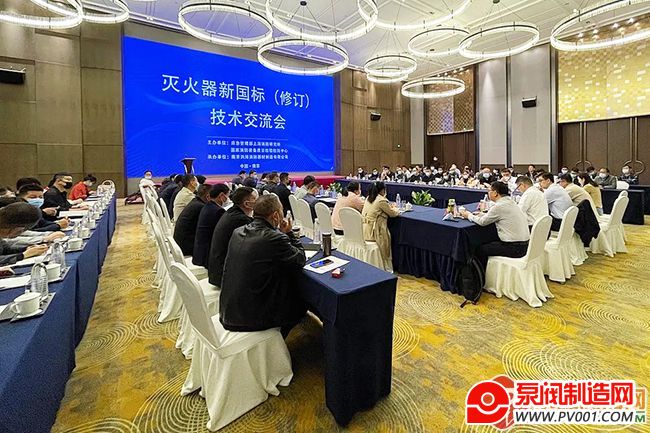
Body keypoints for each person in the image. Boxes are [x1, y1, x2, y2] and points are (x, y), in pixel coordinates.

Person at [219, 194, 306, 336]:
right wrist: (290, 233)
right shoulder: (274, 238)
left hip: (229, 310)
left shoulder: (238, 231)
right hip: (251, 318)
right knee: (300, 301)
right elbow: (300, 258)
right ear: (276, 215)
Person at [460, 182, 530, 271]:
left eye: (489, 190)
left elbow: (482, 222)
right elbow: (498, 215)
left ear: (495, 193)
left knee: (479, 250)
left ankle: (481, 276)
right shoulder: (510, 202)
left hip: (514, 248)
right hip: (525, 245)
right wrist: (482, 214)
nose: (488, 193)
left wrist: (468, 215)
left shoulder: (499, 206)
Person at [207, 187, 258, 287]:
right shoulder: (241, 220)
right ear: (247, 204)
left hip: (217, 270)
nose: (258, 202)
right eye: (255, 199)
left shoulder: (231, 212)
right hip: (224, 276)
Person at [362, 181, 400, 272]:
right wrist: (396, 208)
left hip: (364, 230)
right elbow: (393, 214)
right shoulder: (381, 200)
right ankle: (387, 268)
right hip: (375, 232)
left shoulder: (369, 198)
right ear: (383, 190)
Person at [192, 184, 230, 268]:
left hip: (200, 253)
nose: (228, 199)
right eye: (228, 196)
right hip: (207, 257)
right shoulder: (218, 211)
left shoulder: (207, 206)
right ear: (221, 196)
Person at [172, 183, 210, 255]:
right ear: (208, 196)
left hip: (180, 244)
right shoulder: (200, 207)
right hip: (186, 247)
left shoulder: (195, 202)